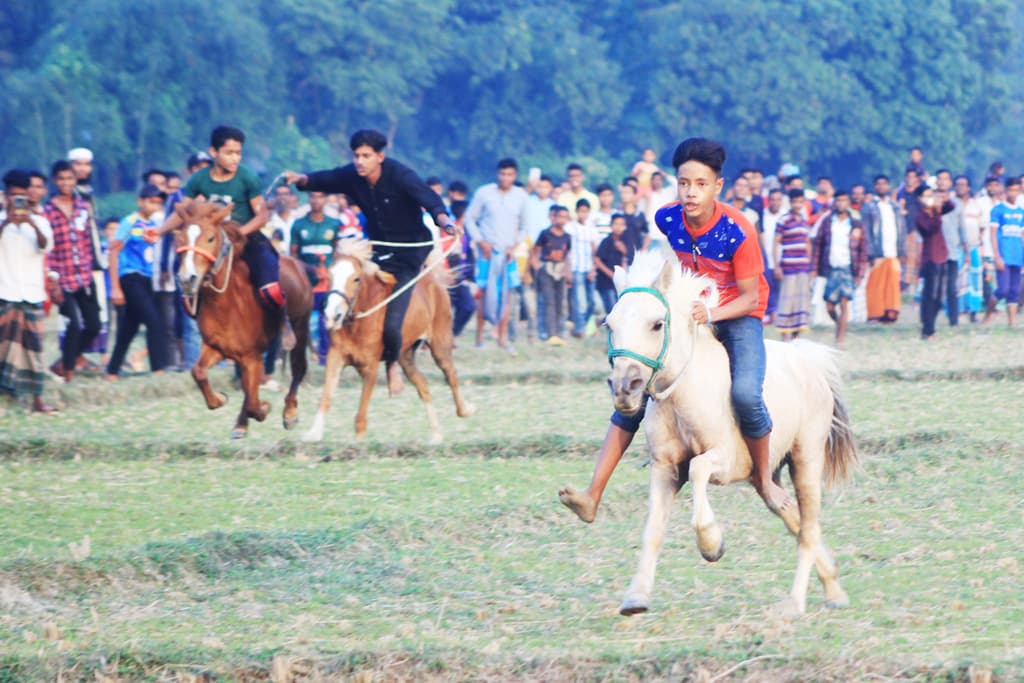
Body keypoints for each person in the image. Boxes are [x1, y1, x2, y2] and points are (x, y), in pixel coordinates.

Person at [559, 137, 789, 524]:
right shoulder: (666, 218)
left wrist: (712, 310)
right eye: (683, 183)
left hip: (737, 315)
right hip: (691, 316)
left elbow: (751, 298)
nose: (690, 192)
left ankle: (765, 479)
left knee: (747, 394)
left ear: (718, 186)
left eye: (700, 184)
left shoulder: (740, 231)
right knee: (638, 386)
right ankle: (592, 494)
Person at [284, 129, 452, 396]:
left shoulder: (400, 175)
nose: (360, 161)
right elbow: (328, 178)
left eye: (366, 156)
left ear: (380, 157)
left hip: (410, 254)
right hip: (377, 252)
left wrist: (444, 221)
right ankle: (349, 349)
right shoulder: (353, 176)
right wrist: (302, 179)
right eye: (357, 156)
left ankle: (393, 364)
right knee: (356, 295)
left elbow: (428, 198)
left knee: (394, 321)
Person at [149, 126, 291, 351]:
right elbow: (181, 212)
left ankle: (283, 322)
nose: (235, 158)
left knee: (270, 286)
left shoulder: (247, 177)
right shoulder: (199, 180)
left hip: (247, 237)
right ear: (213, 152)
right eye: (229, 153)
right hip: (211, 241)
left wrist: (241, 233)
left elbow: (262, 214)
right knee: (187, 276)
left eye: (238, 153)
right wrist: (159, 232)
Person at [0, 170, 57, 414]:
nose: (19, 201)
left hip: (31, 292)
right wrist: (7, 222)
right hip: (5, 289)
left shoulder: (41, 221)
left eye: (22, 197)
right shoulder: (2, 219)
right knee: (4, 348)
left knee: (34, 349)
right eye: (15, 196)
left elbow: (45, 246)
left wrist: (31, 223)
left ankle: (37, 399)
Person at [463, 158, 529, 352]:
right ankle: (480, 338)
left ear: (514, 176)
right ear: (497, 174)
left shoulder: (521, 196)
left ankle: (502, 338)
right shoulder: (484, 193)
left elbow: (525, 227)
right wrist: (481, 242)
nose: (505, 178)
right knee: (484, 294)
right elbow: (469, 219)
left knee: (507, 295)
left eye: (509, 174)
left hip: (508, 253)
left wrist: (514, 247)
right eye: (502, 174)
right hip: (487, 252)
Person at [44, 160, 101, 383]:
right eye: (61, 179)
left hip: (84, 276)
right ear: (54, 181)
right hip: (61, 277)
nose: (66, 183)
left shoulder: (83, 207)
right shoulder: (48, 211)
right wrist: (52, 280)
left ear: (75, 180)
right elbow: (47, 248)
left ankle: (64, 361)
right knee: (74, 324)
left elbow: (88, 240)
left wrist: (92, 265)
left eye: (70, 178)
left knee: (94, 325)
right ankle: (68, 372)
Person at [105, 184, 170, 378]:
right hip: (130, 277)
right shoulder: (130, 222)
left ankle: (112, 370)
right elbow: (114, 252)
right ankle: (158, 369)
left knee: (129, 328)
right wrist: (116, 287)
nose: (154, 206)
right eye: (151, 201)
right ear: (140, 201)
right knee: (154, 321)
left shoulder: (154, 225)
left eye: (158, 203)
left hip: (147, 278)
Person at [811, 191, 868, 347]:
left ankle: (839, 340)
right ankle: (840, 325)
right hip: (831, 269)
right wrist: (814, 269)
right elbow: (818, 245)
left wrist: (860, 274)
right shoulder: (828, 222)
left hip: (848, 268)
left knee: (844, 302)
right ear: (834, 203)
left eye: (844, 201)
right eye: (838, 201)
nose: (841, 204)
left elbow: (863, 250)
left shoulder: (856, 224)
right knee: (829, 305)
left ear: (848, 202)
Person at [290, 191, 341, 364]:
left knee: (326, 318)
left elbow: (337, 252)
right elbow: (293, 257)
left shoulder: (334, 224)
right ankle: (300, 357)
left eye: (320, 196)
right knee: (300, 320)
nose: (316, 200)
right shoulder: (298, 225)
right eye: (312, 196)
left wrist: (329, 271)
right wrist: (310, 269)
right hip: (304, 282)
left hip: (326, 282)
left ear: (325, 199)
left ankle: (326, 358)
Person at [862, 174, 907, 323]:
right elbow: (866, 231)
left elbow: (901, 229)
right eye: (878, 184)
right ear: (875, 187)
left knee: (893, 285)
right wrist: (870, 253)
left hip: (893, 252)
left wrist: (902, 251)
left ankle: (890, 314)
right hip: (878, 252)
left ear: (888, 186)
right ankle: (875, 314)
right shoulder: (869, 207)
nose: (881, 187)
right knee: (876, 285)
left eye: (884, 184)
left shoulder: (894, 207)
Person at [915, 185, 957, 339]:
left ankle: (930, 325)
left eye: (930, 195)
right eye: (926, 196)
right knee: (930, 295)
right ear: (919, 199)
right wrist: (937, 212)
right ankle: (928, 329)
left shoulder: (934, 210)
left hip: (942, 255)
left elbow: (951, 206)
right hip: (930, 257)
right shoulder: (920, 216)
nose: (929, 198)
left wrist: (945, 200)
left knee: (939, 297)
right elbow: (931, 229)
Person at [773, 189, 813, 340]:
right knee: (787, 301)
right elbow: (775, 244)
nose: (797, 204)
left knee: (800, 302)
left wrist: (809, 265)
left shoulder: (803, 221)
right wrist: (777, 266)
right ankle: (785, 338)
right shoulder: (784, 220)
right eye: (795, 201)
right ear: (790, 203)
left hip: (802, 267)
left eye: (800, 202)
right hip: (788, 267)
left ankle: (796, 338)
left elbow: (807, 243)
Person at [986, 176, 1024, 328]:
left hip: (1017, 256)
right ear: (1005, 190)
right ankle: (988, 315)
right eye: (1010, 190)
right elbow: (993, 234)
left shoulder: (1021, 212)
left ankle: (1012, 323)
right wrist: (997, 256)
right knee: (1002, 289)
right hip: (1004, 255)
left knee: (1014, 290)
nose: (1013, 193)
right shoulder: (998, 210)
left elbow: (1022, 235)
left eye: (1016, 190)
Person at [531, 205, 571, 345]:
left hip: (560, 270)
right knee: (549, 301)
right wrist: (537, 267)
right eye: (559, 216)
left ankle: (559, 331)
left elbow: (567, 256)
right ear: (553, 217)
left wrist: (567, 272)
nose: (562, 219)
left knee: (560, 302)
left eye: (565, 217)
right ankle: (550, 333)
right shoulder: (545, 234)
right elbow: (535, 251)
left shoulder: (567, 237)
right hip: (546, 268)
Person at [566, 198, 599, 336]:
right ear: (576, 211)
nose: (583, 214)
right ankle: (579, 329)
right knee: (580, 300)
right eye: (581, 211)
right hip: (576, 268)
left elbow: (594, 249)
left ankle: (588, 327)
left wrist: (593, 268)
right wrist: (567, 269)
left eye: (586, 212)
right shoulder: (570, 227)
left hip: (588, 268)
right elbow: (567, 249)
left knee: (592, 301)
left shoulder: (591, 228)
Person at [594, 213, 635, 317]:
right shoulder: (606, 241)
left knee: (622, 308)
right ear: (611, 225)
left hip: (621, 283)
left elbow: (631, 258)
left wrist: (624, 250)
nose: (618, 227)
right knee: (612, 309)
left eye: (621, 224)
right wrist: (611, 274)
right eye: (616, 224)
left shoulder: (627, 242)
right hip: (607, 282)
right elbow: (597, 260)